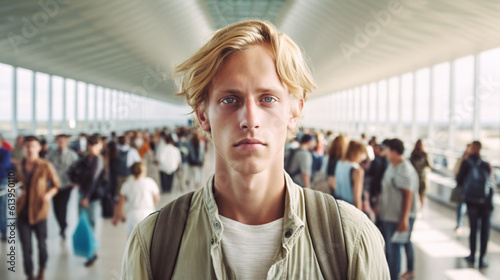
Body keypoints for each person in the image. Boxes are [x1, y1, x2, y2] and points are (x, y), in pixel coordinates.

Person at [122, 20, 389, 279]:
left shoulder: (352, 239)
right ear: (203, 115)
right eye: (230, 99)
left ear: (294, 111)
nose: (250, 119)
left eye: (268, 99)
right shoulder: (154, 243)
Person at [16, 136, 60, 280]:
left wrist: (48, 195)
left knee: (42, 244)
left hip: (40, 211)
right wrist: (17, 192)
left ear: (39, 148)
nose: (30, 149)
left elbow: (56, 185)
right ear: (23, 147)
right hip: (22, 212)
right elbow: (12, 187)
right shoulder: (18, 167)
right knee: (26, 247)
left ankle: (42, 269)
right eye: (27, 146)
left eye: (33, 146)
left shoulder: (45, 166)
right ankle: (29, 274)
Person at [379, 139, 419, 280]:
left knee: (394, 250)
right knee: (394, 248)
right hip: (390, 215)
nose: (385, 153)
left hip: (397, 217)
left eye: (387, 150)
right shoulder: (393, 165)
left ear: (395, 152)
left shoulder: (404, 170)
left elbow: (408, 195)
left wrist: (404, 219)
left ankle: (393, 277)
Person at [456, 141, 494, 268]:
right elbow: (491, 182)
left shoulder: (466, 162)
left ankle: (472, 255)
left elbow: (459, 180)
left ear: (472, 148)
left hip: (472, 202)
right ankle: (482, 258)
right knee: (484, 231)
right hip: (486, 203)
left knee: (473, 229)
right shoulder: (486, 163)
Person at [77, 135, 104, 267]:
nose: (92, 147)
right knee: (85, 223)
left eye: (95, 144)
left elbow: (93, 180)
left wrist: (86, 197)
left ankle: (91, 253)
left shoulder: (97, 160)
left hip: (91, 198)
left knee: (90, 224)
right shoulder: (86, 159)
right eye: (90, 144)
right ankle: (90, 250)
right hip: (83, 195)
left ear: (100, 146)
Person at [112, 162, 160, 235]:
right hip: (148, 213)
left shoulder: (126, 185)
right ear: (144, 171)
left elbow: (121, 202)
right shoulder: (150, 182)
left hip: (132, 215)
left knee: (132, 240)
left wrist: (119, 216)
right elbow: (157, 198)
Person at [47, 134, 78, 240]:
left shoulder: (72, 155)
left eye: (63, 141)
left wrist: (74, 182)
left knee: (63, 207)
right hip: (55, 185)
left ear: (66, 142)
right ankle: (62, 224)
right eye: (59, 141)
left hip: (66, 185)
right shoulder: (52, 155)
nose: (61, 143)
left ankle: (63, 227)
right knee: (56, 208)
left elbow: (76, 169)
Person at [334, 140, 367, 210]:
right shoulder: (357, 170)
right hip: (350, 208)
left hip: (337, 204)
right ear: (358, 152)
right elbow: (357, 197)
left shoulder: (339, 163)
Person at [452, 143, 471, 233]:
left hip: (471, 189)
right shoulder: (462, 160)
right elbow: (456, 171)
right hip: (462, 187)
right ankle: (459, 224)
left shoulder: (475, 161)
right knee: (461, 206)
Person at [409, 139, 431, 209]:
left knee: (413, 193)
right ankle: (420, 209)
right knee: (421, 194)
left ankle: (413, 208)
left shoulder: (413, 153)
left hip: (414, 176)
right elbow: (429, 165)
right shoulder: (425, 154)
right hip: (422, 177)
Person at [0, 134, 11, 241]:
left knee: (2, 208)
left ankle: (4, 231)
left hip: (2, 182)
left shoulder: (5, 152)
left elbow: (4, 166)